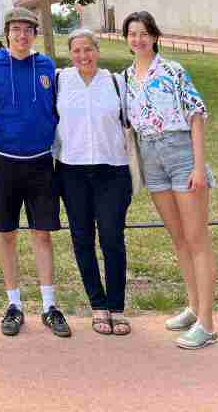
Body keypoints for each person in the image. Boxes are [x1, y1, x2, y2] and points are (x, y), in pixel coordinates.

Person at [122, 10, 218, 349]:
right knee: (179, 239)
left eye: (144, 33)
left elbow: (196, 116)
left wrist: (198, 167)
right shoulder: (126, 77)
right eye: (132, 33)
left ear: (154, 36)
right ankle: (193, 307)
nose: (138, 39)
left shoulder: (172, 70)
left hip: (181, 154)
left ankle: (207, 324)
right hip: (151, 158)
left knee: (197, 239)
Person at [0, 7, 71, 338]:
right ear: (7, 33)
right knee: (7, 233)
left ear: (35, 34)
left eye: (28, 30)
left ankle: (49, 306)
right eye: (16, 29)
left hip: (41, 163)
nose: (21, 35)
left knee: (42, 234)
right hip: (3, 162)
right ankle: (14, 304)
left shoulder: (47, 67)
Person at [53, 28, 133, 336]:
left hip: (112, 169)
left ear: (97, 51)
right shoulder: (60, 81)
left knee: (112, 238)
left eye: (88, 49)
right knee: (82, 238)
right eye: (76, 50)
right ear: (70, 53)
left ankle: (117, 307)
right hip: (71, 170)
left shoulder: (115, 82)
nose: (83, 56)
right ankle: (98, 305)